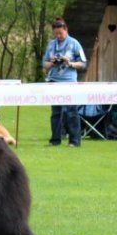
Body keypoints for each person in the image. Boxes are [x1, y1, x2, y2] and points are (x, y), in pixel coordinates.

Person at [43, 17, 87, 147]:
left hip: (69, 82)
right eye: (55, 33)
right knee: (56, 112)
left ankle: (74, 141)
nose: (58, 36)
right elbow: (44, 64)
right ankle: (55, 140)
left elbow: (83, 63)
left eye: (60, 33)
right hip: (53, 81)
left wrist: (70, 63)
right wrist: (51, 63)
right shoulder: (51, 44)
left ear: (66, 30)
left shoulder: (74, 43)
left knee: (71, 111)